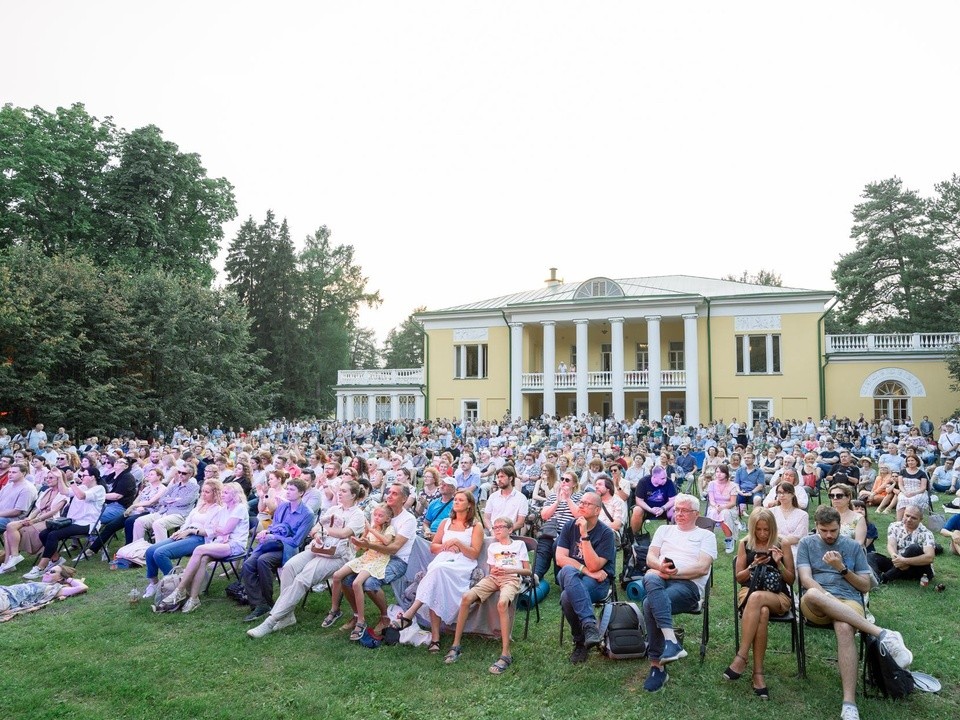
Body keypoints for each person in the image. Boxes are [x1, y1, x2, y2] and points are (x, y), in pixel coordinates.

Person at [797, 505, 913, 720]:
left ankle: (849, 702)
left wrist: (841, 568)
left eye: (833, 530)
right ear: (816, 527)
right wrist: (827, 598)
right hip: (816, 603)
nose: (829, 535)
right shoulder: (807, 543)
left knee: (844, 626)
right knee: (812, 594)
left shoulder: (852, 547)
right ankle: (882, 634)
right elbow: (805, 579)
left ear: (840, 526)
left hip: (848, 600)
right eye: (824, 531)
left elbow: (864, 586)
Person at [249, 480, 366, 638]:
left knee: (303, 579)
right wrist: (318, 535)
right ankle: (288, 616)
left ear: (353, 495)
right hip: (319, 548)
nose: (339, 493)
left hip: (337, 555)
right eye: (339, 490)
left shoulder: (357, 514)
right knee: (289, 567)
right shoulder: (333, 509)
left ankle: (271, 620)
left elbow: (344, 533)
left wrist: (324, 530)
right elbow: (315, 529)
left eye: (344, 491)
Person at [641, 493, 717, 693]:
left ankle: (657, 666)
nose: (680, 514)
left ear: (696, 514)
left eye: (685, 510)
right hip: (661, 577)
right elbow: (650, 557)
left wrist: (674, 572)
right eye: (677, 510)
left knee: (650, 604)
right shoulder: (664, 529)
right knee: (650, 577)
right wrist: (660, 568)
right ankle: (671, 642)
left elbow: (702, 568)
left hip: (688, 586)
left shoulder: (706, 535)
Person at [392, 490, 484, 653]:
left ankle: (413, 616)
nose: (456, 502)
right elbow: (433, 547)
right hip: (442, 560)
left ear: (469, 504)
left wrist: (459, 543)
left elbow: (475, 553)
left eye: (460, 500)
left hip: (462, 564)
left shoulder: (475, 526)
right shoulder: (446, 523)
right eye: (455, 499)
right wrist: (445, 546)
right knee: (437, 576)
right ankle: (432, 636)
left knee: (436, 572)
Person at [445, 515, 531, 673]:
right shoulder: (493, 547)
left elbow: (528, 570)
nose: (497, 530)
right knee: (466, 597)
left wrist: (511, 570)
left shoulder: (519, 545)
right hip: (494, 577)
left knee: (502, 603)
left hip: (511, 578)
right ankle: (456, 644)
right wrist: (496, 571)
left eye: (500, 527)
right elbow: (491, 570)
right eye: (495, 527)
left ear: (510, 529)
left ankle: (506, 654)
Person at [724, 508, 795, 700]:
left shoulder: (782, 543)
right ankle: (758, 674)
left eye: (766, 530)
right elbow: (739, 578)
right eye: (758, 530)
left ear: (772, 528)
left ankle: (741, 656)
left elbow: (791, 580)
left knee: (757, 599)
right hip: (750, 590)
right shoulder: (745, 544)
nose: (763, 534)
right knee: (761, 611)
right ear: (752, 528)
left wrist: (779, 564)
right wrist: (752, 566)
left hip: (778, 595)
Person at [154, 481, 250, 614]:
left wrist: (221, 530)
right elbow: (216, 530)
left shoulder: (239, 508)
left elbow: (225, 529)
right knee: (203, 558)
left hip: (235, 545)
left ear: (235, 495)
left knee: (199, 549)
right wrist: (221, 530)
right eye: (222, 492)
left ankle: (179, 590)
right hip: (221, 543)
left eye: (226, 493)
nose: (222, 495)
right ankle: (193, 599)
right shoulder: (224, 509)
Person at [341, 483, 417, 637]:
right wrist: (362, 543)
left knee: (370, 583)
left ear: (404, 499)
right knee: (345, 578)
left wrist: (369, 546)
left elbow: (394, 548)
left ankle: (384, 617)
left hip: (397, 560)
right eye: (389, 492)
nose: (389, 495)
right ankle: (357, 616)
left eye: (395, 494)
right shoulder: (380, 513)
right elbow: (368, 538)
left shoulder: (408, 519)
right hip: (375, 556)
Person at [241, 477, 314, 622]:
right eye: (287, 488)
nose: (288, 492)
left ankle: (267, 603)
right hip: (272, 543)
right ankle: (259, 603)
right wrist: (267, 532)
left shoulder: (307, 514)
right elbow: (274, 527)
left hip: (288, 549)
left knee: (263, 561)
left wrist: (274, 537)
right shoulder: (283, 507)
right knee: (248, 564)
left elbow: (296, 541)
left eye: (292, 489)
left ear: (301, 493)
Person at [556, 491, 617, 664]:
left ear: (597, 510)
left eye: (586, 504)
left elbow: (595, 565)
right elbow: (560, 559)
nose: (581, 505)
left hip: (598, 584)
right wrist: (587, 571)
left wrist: (584, 535)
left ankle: (580, 642)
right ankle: (590, 625)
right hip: (582, 577)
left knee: (567, 597)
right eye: (580, 502)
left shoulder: (606, 533)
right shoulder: (569, 526)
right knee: (568, 571)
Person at [142, 478, 223, 598]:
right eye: (203, 491)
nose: (203, 494)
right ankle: (154, 583)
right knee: (150, 550)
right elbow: (187, 521)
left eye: (207, 492)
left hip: (199, 538)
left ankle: (175, 585)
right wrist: (181, 531)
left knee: (160, 553)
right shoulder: (200, 506)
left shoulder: (218, 509)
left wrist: (190, 531)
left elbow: (211, 532)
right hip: (186, 532)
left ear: (215, 493)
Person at [23, 467, 105, 580]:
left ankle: (40, 567)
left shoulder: (99, 489)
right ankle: (56, 560)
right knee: (43, 534)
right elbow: (64, 492)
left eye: (83, 476)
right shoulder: (82, 486)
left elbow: (81, 496)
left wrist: (72, 481)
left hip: (87, 524)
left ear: (92, 477)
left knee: (53, 535)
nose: (80, 477)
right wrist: (60, 477)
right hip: (73, 521)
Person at [327, 503, 396, 639]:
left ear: (388, 519)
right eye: (375, 515)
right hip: (366, 558)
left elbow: (387, 542)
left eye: (380, 515)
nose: (376, 517)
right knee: (337, 576)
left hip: (378, 560)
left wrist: (371, 529)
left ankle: (361, 620)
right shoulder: (371, 528)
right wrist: (356, 541)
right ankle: (335, 609)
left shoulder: (389, 529)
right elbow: (360, 547)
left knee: (356, 583)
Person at [0, 472, 69, 574]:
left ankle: (11, 561)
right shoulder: (46, 491)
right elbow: (37, 509)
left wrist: (34, 520)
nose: (48, 480)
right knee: (8, 530)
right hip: (36, 518)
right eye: (47, 477)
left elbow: (53, 512)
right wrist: (29, 518)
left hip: (51, 521)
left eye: (51, 478)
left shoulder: (63, 494)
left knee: (10, 531)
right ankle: (11, 559)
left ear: (59, 479)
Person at [533, 471, 583, 581]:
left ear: (574, 484)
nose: (564, 482)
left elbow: (579, 515)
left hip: (569, 532)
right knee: (543, 546)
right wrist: (557, 502)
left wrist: (568, 499)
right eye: (562, 479)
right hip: (551, 529)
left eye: (567, 480)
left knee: (558, 544)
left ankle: (560, 577)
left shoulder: (579, 496)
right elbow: (544, 515)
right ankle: (536, 575)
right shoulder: (552, 497)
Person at [867, 505, 935, 584]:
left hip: (919, 570)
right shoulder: (894, 526)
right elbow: (891, 545)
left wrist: (904, 561)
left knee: (913, 548)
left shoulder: (926, 533)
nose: (909, 519)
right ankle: (875, 576)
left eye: (913, 518)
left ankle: (884, 578)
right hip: (898, 563)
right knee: (870, 556)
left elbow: (930, 557)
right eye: (907, 515)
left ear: (920, 520)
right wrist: (894, 556)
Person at [0, 564, 88, 621]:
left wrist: (68, 579)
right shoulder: (40, 584)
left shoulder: (54, 588)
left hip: (5, 598)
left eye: (52, 572)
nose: (47, 572)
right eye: (48, 570)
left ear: (60, 578)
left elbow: (82, 587)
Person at [483, 465, 528, 531]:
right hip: (492, 530)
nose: (499, 480)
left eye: (502, 477)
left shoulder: (521, 498)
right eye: (498, 477)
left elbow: (520, 523)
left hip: (510, 532)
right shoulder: (493, 496)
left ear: (510, 478)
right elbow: (486, 518)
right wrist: (491, 530)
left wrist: (507, 531)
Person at [704, 464, 737, 554]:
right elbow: (711, 500)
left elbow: (733, 502)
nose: (719, 474)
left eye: (721, 472)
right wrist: (716, 506)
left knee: (725, 513)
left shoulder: (733, 485)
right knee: (713, 512)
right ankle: (708, 540)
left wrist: (723, 507)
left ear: (726, 474)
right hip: (715, 506)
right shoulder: (711, 484)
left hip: (729, 507)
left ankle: (729, 540)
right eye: (717, 472)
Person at [895, 454, 929, 520]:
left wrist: (914, 493)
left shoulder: (922, 473)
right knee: (902, 499)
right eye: (908, 461)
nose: (910, 462)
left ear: (917, 462)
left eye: (912, 460)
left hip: (918, 491)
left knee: (913, 500)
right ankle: (899, 522)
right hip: (905, 490)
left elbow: (923, 488)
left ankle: (913, 520)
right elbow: (900, 485)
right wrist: (905, 492)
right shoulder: (902, 472)